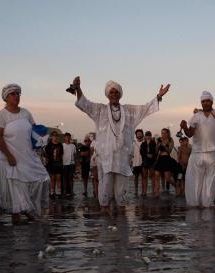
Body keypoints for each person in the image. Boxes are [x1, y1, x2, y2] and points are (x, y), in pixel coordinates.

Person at [70, 76, 170, 210]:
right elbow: (85, 104)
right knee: (105, 192)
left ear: (120, 94)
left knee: (121, 194)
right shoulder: (99, 110)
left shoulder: (129, 111)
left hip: (122, 158)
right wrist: (78, 88)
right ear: (107, 95)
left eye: (116, 92)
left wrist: (158, 96)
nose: (114, 94)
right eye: (111, 92)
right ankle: (106, 224)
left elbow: (146, 108)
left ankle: (122, 227)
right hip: (106, 159)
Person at [0, 83, 50, 223]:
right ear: (6, 97)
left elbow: (34, 132)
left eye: (18, 94)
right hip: (11, 155)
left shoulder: (25, 113)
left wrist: (41, 147)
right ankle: (17, 215)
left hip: (28, 154)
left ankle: (29, 208)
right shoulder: (1, 115)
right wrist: (9, 155)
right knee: (16, 183)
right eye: (13, 94)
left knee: (42, 178)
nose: (16, 96)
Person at [180, 91, 215, 207]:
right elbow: (190, 134)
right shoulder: (196, 116)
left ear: (212, 101)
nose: (205, 103)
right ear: (201, 103)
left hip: (213, 153)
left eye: (208, 101)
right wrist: (185, 127)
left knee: (211, 182)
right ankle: (195, 205)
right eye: (203, 101)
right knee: (196, 181)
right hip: (197, 153)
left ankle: (208, 205)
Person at [153, 128, 177, 197]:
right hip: (160, 158)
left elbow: (169, 151)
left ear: (167, 133)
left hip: (166, 158)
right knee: (157, 175)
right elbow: (156, 151)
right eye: (162, 133)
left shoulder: (170, 140)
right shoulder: (159, 140)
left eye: (164, 133)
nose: (163, 134)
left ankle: (176, 186)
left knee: (167, 178)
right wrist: (158, 145)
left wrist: (163, 144)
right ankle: (157, 192)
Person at [44, 131, 63, 197]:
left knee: (58, 177)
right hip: (51, 163)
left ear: (57, 137)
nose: (55, 137)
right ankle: (52, 192)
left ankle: (58, 192)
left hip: (58, 163)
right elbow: (46, 155)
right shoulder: (49, 145)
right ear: (51, 136)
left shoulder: (60, 144)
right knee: (52, 178)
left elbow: (61, 154)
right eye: (54, 135)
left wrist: (61, 162)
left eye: (56, 135)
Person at [139, 130, 156, 196]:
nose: (148, 137)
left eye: (149, 135)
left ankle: (153, 191)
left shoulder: (153, 143)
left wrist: (152, 155)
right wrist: (147, 155)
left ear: (151, 136)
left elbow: (155, 152)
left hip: (151, 162)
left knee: (152, 177)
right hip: (145, 162)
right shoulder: (143, 144)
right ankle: (144, 192)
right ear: (145, 136)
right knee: (144, 177)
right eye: (147, 135)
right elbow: (141, 152)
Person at [61, 132, 76, 198]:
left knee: (70, 178)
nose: (68, 138)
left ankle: (71, 191)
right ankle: (64, 191)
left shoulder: (73, 146)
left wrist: (75, 163)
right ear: (65, 138)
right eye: (66, 137)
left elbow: (75, 155)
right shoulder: (62, 145)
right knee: (64, 178)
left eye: (69, 137)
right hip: (64, 164)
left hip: (71, 164)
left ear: (70, 138)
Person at [132, 129, 144, 196]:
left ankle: (143, 191)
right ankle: (136, 191)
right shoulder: (133, 143)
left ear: (142, 134)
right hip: (135, 164)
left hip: (143, 163)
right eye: (138, 134)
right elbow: (131, 154)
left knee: (143, 178)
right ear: (136, 135)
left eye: (140, 133)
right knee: (135, 178)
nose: (139, 135)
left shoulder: (144, 143)